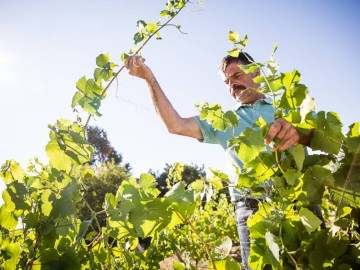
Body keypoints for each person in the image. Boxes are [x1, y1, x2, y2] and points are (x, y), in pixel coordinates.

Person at [124, 52, 313, 269]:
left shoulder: (286, 107)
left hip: (299, 201)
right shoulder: (223, 121)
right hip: (251, 209)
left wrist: (299, 132)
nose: (232, 84)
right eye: (227, 82)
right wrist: (149, 77)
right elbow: (175, 125)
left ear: (256, 73)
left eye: (237, 75)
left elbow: (319, 139)